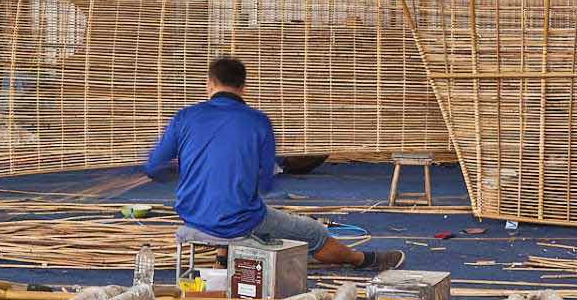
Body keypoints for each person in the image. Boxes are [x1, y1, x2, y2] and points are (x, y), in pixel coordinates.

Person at [144, 56, 403, 271]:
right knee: (312, 232)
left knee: (226, 198)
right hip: (240, 221)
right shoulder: (258, 122)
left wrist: (192, 171)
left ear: (209, 84)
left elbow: (154, 168)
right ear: (243, 87)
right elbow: (266, 182)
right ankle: (362, 260)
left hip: (192, 214)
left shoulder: (185, 117)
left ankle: (224, 258)